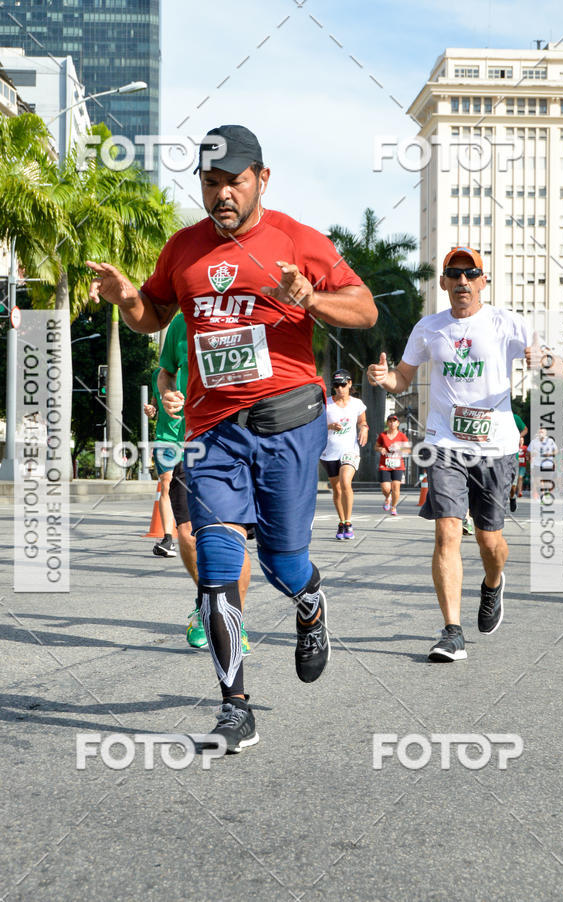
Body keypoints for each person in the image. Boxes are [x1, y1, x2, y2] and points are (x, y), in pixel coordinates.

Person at [88, 124, 376, 752]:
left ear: (261, 180)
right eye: (211, 182)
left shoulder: (297, 240)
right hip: (212, 430)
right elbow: (153, 317)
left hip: (288, 424)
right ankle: (234, 706)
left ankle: (310, 602)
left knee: (281, 562)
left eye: (233, 182)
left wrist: (312, 299)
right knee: (218, 563)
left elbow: (365, 308)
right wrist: (126, 297)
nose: (221, 194)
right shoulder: (183, 248)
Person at [368, 245, 538, 663]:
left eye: (471, 273)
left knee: (489, 540)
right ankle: (451, 631)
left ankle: (493, 583)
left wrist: (544, 360)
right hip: (445, 444)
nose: (462, 281)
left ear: (483, 281)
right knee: (447, 531)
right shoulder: (428, 328)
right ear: (443, 282)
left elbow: (556, 365)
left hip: (496, 447)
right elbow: (402, 377)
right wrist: (382, 378)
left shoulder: (505, 323)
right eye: (454, 273)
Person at [157, 312, 251, 653]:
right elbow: (166, 372)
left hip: (234, 442)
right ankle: (207, 603)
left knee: (231, 536)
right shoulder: (180, 322)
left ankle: (233, 621)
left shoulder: (248, 313)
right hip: (188, 442)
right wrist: (167, 394)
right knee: (186, 533)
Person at [320, 369, 368, 540]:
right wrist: (330, 426)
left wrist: (364, 429)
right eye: (336, 385)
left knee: (345, 481)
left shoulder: (357, 404)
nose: (339, 388)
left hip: (350, 450)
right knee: (337, 490)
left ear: (349, 384)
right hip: (329, 452)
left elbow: (363, 421)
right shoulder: (326, 404)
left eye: (343, 384)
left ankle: (348, 522)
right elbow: (316, 426)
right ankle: (341, 522)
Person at [144, 367, 179, 557]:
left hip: (190, 437)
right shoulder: (157, 374)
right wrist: (152, 410)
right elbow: (155, 403)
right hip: (164, 438)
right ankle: (168, 539)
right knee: (166, 484)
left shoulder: (193, 368)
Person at [374, 414, 411, 516]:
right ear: (387, 423)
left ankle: (394, 507)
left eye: (394, 421)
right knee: (385, 488)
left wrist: (399, 448)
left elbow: (407, 450)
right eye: (390, 421)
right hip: (384, 464)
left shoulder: (402, 436)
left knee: (395, 487)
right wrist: (380, 449)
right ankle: (387, 497)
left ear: (398, 423)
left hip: (398, 465)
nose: (392, 423)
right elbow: (376, 447)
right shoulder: (383, 435)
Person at [527, 427, 558, 501]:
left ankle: (547, 494)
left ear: (546, 433)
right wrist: (532, 453)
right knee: (538, 483)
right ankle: (542, 496)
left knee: (548, 483)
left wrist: (550, 454)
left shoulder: (550, 441)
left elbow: (556, 451)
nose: (541, 433)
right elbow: (528, 451)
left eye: (542, 432)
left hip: (548, 465)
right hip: (538, 465)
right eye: (540, 432)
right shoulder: (534, 441)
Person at [509, 413, 528, 512]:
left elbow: (525, 429)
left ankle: (512, 497)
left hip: (512, 456)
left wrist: (517, 436)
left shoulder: (514, 417)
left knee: (512, 484)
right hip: (496, 456)